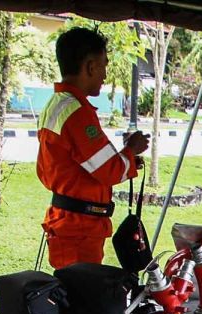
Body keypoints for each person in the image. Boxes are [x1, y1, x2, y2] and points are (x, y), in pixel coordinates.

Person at [37, 27, 149, 269]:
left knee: (77, 295)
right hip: (78, 227)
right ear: (89, 66)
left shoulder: (58, 104)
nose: (105, 74)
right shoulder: (77, 112)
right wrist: (132, 149)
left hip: (72, 221)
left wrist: (126, 158)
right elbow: (108, 169)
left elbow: (87, 161)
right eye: (104, 65)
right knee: (82, 298)